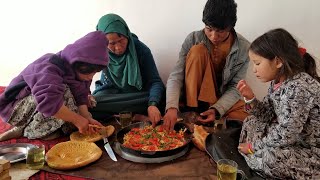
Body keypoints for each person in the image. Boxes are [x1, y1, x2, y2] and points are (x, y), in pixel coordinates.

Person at [237, 28, 320, 179]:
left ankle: (256, 158)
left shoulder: (300, 87)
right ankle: (257, 157)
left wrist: (252, 147)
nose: (254, 70)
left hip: (310, 151)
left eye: (257, 63)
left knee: (271, 158)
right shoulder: (278, 81)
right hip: (291, 140)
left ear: (278, 61)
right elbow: (268, 116)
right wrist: (251, 99)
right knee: (250, 122)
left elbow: (286, 134)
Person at [0, 31, 109, 141]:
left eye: (94, 73)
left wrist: (86, 117)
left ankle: (31, 126)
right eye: (88, 72)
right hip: (15, 107)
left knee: (81, 104)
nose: (91, 77)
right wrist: (78, 120)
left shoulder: (79, 73)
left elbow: (81, 96)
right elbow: (48, 102)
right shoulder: (49, 65)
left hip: (38, 106)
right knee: (64, 92)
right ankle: (25, 128)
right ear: (77, 63)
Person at [163, 0, 250, 130]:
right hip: (193, 100)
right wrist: (171, 107)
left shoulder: (244, 47)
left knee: (246, 118)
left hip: (219, 99)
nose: (214, 36)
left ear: (231, 27)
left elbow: (235, 87)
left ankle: (206, 117)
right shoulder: (193, 39)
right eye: (209, 29)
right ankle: (194, 112)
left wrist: (217, 109)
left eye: (220, 31)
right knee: (198, 51)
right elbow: (176, 76)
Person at [90, 13, 165, 126]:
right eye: (112, 43)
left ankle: (122, 114)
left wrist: (152, 104)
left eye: (121, 40)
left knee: (161, 98)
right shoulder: (102, 54)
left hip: (139, 97)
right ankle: (134, 115)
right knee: (92, 104)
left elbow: (155, 82)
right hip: (116, 96)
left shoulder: (141, 50)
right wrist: (92, 97)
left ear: (126, 34)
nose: (118, 47)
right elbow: (106, 86)